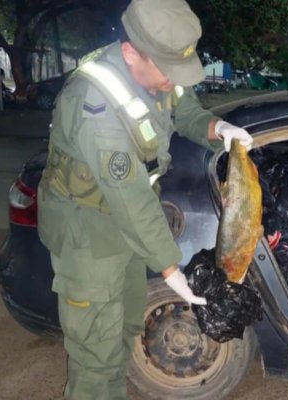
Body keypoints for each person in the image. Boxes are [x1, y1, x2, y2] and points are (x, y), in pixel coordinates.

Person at [37, 0, 253, 398]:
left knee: (123, 334)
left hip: (128, 227)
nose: (174, 82)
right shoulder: (94, 104)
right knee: (94, 357)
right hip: (88, 231)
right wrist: (172, 269)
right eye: (169, 74)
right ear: (131, 52)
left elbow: (186, 112)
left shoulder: (160, 72)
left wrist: (218, 127)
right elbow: (131, 196)